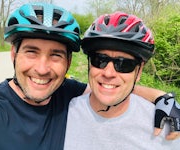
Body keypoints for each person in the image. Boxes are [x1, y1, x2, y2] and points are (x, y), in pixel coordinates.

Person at [0, 2, 178, 150]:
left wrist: (163, 97)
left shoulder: (66, 93)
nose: (42, 69)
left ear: (68, 62)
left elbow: (108, 86)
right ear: (14, 55)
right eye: (31, 52)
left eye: (124, 65)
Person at [64, 12, 180, 150]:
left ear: (139, 71)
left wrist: (165, 99)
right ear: (89, 64)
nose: (108, 73)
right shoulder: (62, 109)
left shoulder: (167, 126)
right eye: (100, 60)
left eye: (124, 64)